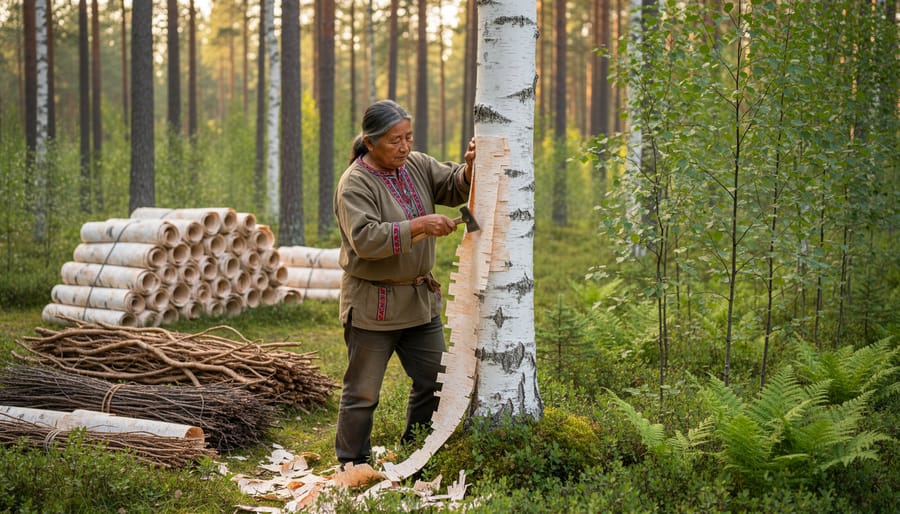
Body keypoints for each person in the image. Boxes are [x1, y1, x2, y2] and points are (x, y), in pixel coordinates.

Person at [333, 99, 475, 466]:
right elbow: (364, 239)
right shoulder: (355, 184)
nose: (405, 146)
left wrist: (472, 168)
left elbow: (453, 185)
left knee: (436, 380)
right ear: (370, 141)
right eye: (396, 140)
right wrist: (420, 226)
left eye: (409, 137)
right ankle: (352, 465)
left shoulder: (416, 165)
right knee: (362, 394)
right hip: (372, 306)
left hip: (419, 301)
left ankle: (416, 451)